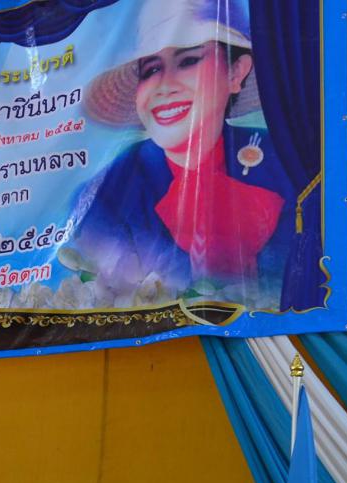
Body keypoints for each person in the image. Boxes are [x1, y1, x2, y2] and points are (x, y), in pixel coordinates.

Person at [66, 0, 293, 310]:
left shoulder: (287, 163)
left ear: (236, 72)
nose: (164, 86)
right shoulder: (104, 196)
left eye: (188, 61)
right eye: (151, 69)